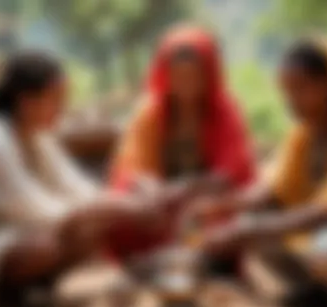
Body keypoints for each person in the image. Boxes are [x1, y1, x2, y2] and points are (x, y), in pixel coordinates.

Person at [0, 51, 170, 307]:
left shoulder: (38, 137)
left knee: (92, 227)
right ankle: (8, 296)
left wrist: (131, 200)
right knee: (54, 243)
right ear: (27, 102)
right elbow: (38, 211)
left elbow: (79, 189)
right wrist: (120, 208)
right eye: (57, 100)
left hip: (24, 228)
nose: (63, 108)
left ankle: (39, 289)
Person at [194, 38, 327, 297]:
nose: (291, 101)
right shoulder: (304, 135)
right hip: (320, 233)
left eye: (299, 89)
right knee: (250, 226)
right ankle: (317, 290)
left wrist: (249, 229)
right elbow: (273, 190)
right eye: (287, 91)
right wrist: (225, 206)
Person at [107, 26, 256, 270]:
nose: (185, 84)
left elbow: (230, 174)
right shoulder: (150, 113)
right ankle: (158, 260)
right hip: (162, 204)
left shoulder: (226, 112)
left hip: (208, 205)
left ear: (208, 75)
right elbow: (133, 166)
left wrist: (183, 190)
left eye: (193, 75)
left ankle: (194, 260)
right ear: (165, 76)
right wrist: (154, 191)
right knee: (123, 216)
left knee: (219, 227)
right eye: (178, 76)